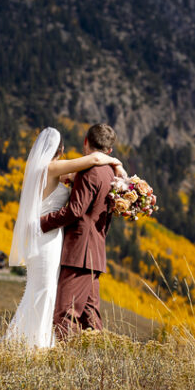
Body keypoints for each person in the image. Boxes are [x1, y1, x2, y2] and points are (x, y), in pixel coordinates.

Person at [4, 126, 123, 348]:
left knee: (54, 298)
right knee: (52, 296)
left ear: (85, 141)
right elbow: (95, 159)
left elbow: (77, 200)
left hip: (61, 241)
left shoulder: (62, 171)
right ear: (61, 149)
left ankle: (36, 345)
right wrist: (117, 164)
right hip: (55, 239)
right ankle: (38, 345)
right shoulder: (59, 168)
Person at [40, 123, 121, 338]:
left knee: (65, 313)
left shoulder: (90, 172)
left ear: (86, 142)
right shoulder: (110, 173)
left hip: (80, 252)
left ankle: (66, 357)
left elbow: (75, 211)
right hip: (94, 252)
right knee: (89, 317)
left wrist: (41, 223)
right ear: (109, 150)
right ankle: (99, 356)